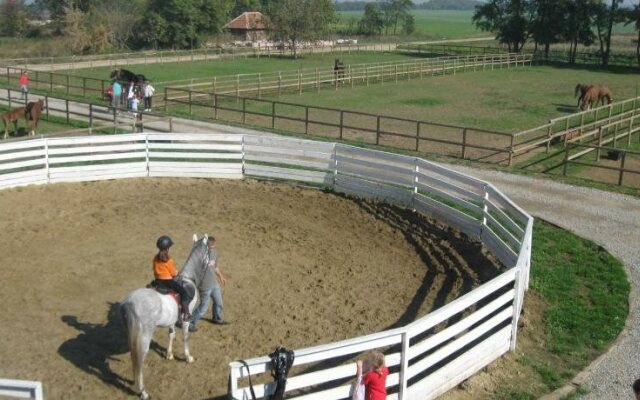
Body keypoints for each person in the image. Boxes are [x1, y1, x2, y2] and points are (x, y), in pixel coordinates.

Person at [189, 235, 228, 332]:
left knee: (219, 303)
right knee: (203, 307)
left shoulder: (214, 253)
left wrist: (221, 277)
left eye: (213, 245)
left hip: (214, 284)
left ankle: (217, 318)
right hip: (204, 286)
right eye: (210, 245)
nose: (212, 246)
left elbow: (215, 267)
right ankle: (190, 323)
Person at [152, 235, 192, 321]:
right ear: (167, 248)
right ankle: (186, 313)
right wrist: (178, 273)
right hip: (168, 282)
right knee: (184, 292)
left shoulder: (155, 258)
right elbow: (173, 273)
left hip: (157, 281)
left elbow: (154, 270)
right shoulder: (169, 260)